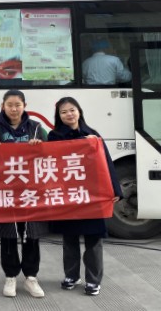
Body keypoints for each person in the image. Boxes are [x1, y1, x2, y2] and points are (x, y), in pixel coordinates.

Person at [48, 97, 122, 296]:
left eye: (72, 110)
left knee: (93, 239)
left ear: (79, 111)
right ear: (59, 116)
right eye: (64, 112)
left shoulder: (93, 135)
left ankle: (93, 280)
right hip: (68, 196)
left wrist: (115, 189)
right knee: (69, 239)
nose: (69, 114)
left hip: (91, 196)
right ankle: (71, 275)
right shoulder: (54, 136)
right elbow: (48, 162)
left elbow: (107, 163)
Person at [0, 89, 48, 298]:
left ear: (24, 106)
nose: (13, 109)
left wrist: (41, 146)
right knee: (8, 235)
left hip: (31, 191)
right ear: (3, 106)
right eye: (9, 105)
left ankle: (31, 277)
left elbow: (52, 154)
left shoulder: (36, 128)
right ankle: (10, 276)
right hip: (5, 191)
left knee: (31, 235)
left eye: (17, 105)